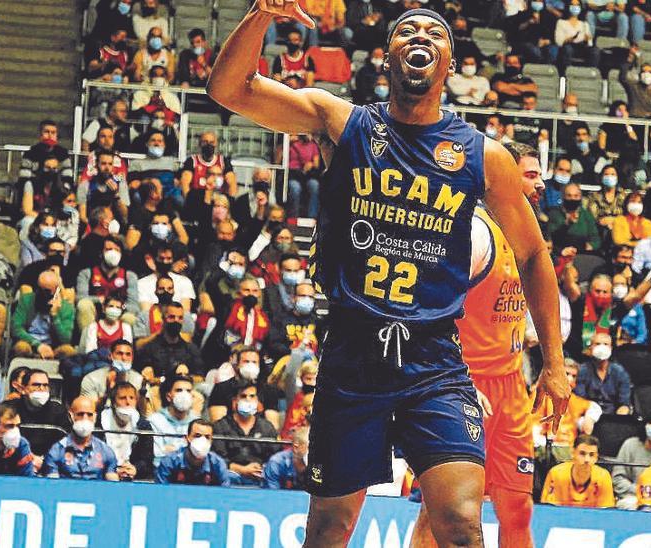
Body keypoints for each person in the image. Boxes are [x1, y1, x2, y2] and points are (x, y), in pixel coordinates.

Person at [209, 7, 570, 545]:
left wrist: (555, 365)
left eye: (435, 32)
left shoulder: (484, 156)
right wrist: (261, 13)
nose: (420, 35)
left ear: (449, 64)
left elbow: (536, 256)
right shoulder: (344, 121)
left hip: (435, 362)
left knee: (462, 526)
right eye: (407, 29)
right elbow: (229, 89)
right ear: (386, 55)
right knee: (329, 530)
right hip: (354, 355)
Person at [413, 157, 540, 546]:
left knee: (518, 508)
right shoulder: (475, 231)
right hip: (465, 384)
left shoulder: (526, 233)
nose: (539, 184)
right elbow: (425, 308)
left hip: (511, 385)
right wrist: (456, 377)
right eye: (531, 175)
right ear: (504, 177)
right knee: (444, 509)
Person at [212, 382, 280, 486]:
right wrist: (243, 470)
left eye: (252, 396)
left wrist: (261, 469)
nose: (248, 400)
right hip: (230, 477)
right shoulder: (220, 426)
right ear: (235, 401)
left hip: (261, 477)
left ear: (257, 401)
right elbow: (217, 459)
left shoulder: (267, 427)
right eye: (243, 396)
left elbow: (275, 456)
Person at [41, 396, 120, 480]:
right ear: (70, 416)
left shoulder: (106, 451)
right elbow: (52, 485)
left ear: (95, 417)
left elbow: (113, 484)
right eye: (80, 414)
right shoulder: (56, 451)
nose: (85, 418)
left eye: (89, 415)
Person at [3, 369, 70, 468]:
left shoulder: (58, 411)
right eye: (36, 385)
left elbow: (67, 444)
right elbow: (0, 442)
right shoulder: (8, 409)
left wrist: (46, 461)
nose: (42, 389)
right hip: (15, 464)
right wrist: (29, 459)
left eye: (45, 385)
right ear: (23, 389)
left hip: (50, 465)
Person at [10, 271, 77, 359]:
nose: (42, 294)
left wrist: (55, 316)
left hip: (53, 349)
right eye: (39, 289)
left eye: (46, 291)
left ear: (56, 291)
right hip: (30, 345)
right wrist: (37, 345)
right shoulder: (27, 300)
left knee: (69, 351)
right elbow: (16, 328)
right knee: (21, 347)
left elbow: (66, 339)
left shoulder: (66, 307)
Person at [98, 381, 155, 480]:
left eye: (131, 398)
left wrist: (135, 469)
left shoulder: (143, 425)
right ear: (113, 402)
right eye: (122, 398)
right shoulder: (100, 422)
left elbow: (147, 458)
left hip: (133, 474)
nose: (128, 402)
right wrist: (111, 469)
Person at [540, 435, 615, 508]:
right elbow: (549, 509)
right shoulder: (556, 473)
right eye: (582, 453)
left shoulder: (603, 476)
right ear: (573, 453)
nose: (587, 460)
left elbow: (606, 512)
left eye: (591, 455)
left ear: (596, 457)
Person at [155, 419, 231, 485]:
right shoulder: (169, 462)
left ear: (211, 441)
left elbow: (225, 496)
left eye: (207, 437)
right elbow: (161, 493)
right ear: (186, 438)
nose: (202, 441)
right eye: (197, 436)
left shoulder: (218, 464)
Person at [575, 331, 633, 415]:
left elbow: (624, 404)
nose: (602, 347)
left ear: (611, 348)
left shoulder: (620, 372)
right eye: (597, 344)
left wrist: (619, 418)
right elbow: (580, 400)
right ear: (590, 348)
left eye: (605, 344)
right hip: (588, 414)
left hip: (612, 416)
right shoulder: (583, 370)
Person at [148, 375, 200, 465]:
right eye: (179, 390)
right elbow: (156, 455)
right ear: (169, 396)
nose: (184, 395)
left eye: (188, 391)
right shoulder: (154, 420)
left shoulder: (198, 423)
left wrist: (171, 450)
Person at [265, 426, 311, 490]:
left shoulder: (320, 465)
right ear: (296, 447)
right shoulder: (276, 463)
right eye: (310, 447)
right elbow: (272, 496)